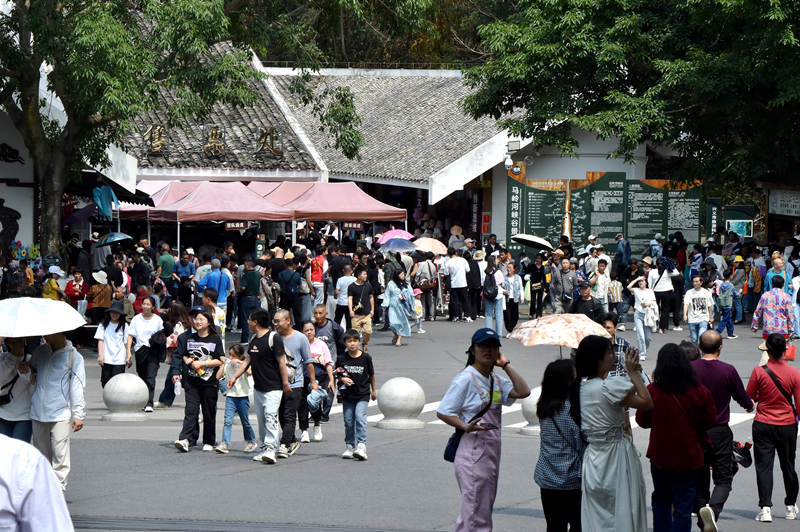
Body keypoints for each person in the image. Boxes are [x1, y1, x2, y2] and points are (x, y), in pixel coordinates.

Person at [436, 328, 530, 531]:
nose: (488, 350)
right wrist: (464, 426)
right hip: (472, 453)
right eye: (482, 345)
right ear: (472, 350)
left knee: (483, 509)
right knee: (473, 512)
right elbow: (443, 411)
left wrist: (505, 365)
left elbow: (523, 391)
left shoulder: (495, 380)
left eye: (493, 346)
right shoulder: (466, 378)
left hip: (491, 454)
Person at [570, 335, 653, 532]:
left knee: (598, 517)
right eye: (609, 352)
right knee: (622, 510)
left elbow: (630, 391)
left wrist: (634, 375)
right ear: (598, 359)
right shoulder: (609, 386)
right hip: (616, 457)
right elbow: (647, 403)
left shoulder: (579, 388)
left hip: (594, 458)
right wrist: (633, 373)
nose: (613, 355)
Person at [635, 343, 716, 531]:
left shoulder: (653, 391)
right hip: (689, 455)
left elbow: (642, 421)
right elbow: (710, 421)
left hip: (661, 454)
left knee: (662, 500)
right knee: (684, 504)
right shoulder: (699, 391)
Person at [691, 330, 755, 531]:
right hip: (719, 431)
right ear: (720, 348)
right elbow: (744, 399)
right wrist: (750, 405)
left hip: (694, 431)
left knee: (700, 478)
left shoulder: (690, 369)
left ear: (699, 347)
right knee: (723, 479)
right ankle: (713, 510)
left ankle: (703, 519)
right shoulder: (728, 370)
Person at [746, 333, 800, 523]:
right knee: (788, 466)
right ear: (785, 351)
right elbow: (799, 405)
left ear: (767, 351)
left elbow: (749, 399)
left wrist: (760, 396)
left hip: (763, 424)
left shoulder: (759, 371)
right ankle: (790, 506)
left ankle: (766, 508)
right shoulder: (795, 373)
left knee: (764, 467)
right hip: (787, 425)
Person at [227, 308, 289, 464]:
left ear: (255, 322)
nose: (247, 322)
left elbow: (282, 362)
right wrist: (234, 376)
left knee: (271, 417)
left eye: (249, 319)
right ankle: (264, 448)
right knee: (262, 421)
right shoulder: (254, 339)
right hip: (259, 388)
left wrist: (285, 384)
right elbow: (247, 361)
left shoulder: (274, 338)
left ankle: (271, 449)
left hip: (274, 387)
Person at [26, 331, 86, 491]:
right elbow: (31, 373)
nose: (44, 335)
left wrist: (78, 414)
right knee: (41, 454)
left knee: (60, 454)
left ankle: (58, 488)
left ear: (60, 333)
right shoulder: (40, 352)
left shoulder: (74, 357)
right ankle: (44, 487)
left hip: (61, 413)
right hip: (38, 411)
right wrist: (26, 371)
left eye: (49, 332)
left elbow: (77, 387)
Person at [534, 359, 586, 532]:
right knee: (578, 525)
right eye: (575, 378)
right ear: (567, 381)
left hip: (548, 477)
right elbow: (582, 442)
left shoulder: (544, 406)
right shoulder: (572, 409)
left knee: (555, 526)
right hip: (572, 479)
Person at [171, 309, 224, 452]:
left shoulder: (215, 339)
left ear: (208, 322)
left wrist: (203, 364)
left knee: (209, 412)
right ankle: (185, 439)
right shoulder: (187, 338)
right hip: (192, 382)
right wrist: (179, 369)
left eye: (201, 319)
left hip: (210, 382)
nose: (198, 322)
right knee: (191, 411)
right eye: (196, 319)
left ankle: (209, 440)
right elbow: (180, 355)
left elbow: (221, 360)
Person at [0, 434, 75, 530]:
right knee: (44, 451)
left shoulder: (22, 460)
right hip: (38, 419)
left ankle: (60, 488)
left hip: (58, 419)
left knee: (59, 454)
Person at [273, 309, 314, 458]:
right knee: (281, 415)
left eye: (279, 321)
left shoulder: (301, 338)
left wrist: (313, 382)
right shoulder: (274, 337)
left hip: (295, 383)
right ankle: (293, 441)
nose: (276, 324)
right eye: (274, 321)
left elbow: (308, 362)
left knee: (289, 415)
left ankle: (284, 445)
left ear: (288, 321)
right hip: (277, 383)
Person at [336, 329, 378, 460]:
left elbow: (371, 374)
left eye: (355, 341)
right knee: (348, 421)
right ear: (345, 343)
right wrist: (342, 379)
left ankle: (361, 446)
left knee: (360, 417)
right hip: (348, 395)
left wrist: (374, 390)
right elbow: (337, 372)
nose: (352, 344)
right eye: (349, 341)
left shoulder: (365, 358)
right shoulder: (341, 358)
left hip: (363, 393)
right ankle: (349, 446)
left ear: (359, 342)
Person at [214, 344, 258, 454]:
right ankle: (224, 443)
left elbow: (249, 372)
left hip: (242, 396)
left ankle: (251, 440)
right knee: (227, 421)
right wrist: (223, 364)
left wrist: (239, 362)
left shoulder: (242, 365)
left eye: (234, 356)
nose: (231, 358)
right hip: (230, 396)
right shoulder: (228, 365)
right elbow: (218, 377)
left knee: (245, 420)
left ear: (240, 356)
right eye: (230, 355)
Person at [125, 296, 164, 412]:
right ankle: (142, 400)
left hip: (153, 350)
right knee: (142, 376)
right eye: (144, 304)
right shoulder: (136, 319)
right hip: (140, 350)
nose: (145, 306)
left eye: (148, 304)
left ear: (153, 307)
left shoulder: (157, 320)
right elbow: (130, 335)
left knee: (150, 377)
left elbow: (163, 334)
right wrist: (128, 352)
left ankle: (149, 402)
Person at [299, 320, 335, 442]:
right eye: (306, 330)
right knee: (302, 404)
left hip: (319, 377)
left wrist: (331, 379)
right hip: (302, 378)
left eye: (311, 329)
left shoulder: (322, 345)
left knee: (314, 403)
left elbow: (328, 363)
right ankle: (304, 431)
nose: (309, 332)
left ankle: (317, 425)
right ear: (302, 332)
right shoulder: (300, 344)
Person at [0, 337, 33, 442]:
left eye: (19, 339)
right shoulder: (3, 358)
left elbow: (33, 384)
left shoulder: (31, 360)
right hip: (3, 413)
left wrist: (26, 371)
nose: (16, 342)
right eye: (12, 340)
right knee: (6, 454)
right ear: (7, 343)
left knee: (20, 454)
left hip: (25, 415)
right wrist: (13, 357)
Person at [95, 300, 130, 388]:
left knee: (117, 383)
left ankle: (116, 401)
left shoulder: (124, 326)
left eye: (117, 313)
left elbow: (126, 342)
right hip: (107, 357)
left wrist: (128, 355)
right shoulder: (103, 324)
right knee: (105, 382)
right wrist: (100, 355)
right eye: (113, 312)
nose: (114, 314)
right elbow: (100, 340)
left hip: (119, 358)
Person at [752, 275, 794, 339]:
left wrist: (754, 326)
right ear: (783, 285)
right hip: (782, 330)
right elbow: (790, 314)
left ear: (772, 284)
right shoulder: (786, 296)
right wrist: (791, 329)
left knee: (767, 347)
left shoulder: (765, 295)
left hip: (768, 329)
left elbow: (758, 311)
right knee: (782, 348)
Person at [627, 275, 657, 361]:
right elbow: (629, 287)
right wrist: (637, 278)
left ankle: (643, 350)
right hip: (638, 314)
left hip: (647, 315)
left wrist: (648, 304)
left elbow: (654, 302)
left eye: (642, 281)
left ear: (646, 282)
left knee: (647, 337)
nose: (640, 282)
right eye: (639, 281)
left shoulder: (650, 291)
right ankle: (642, 353)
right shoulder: (636, 290)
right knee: (640, 336)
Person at [383, 269, 415, 347]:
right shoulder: (391, 283)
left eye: (403, 274)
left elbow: (411, 294)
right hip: (393, 306)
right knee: (392, 323)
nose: (403, 276)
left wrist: (405, 296)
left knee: (402, 322)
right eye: (401, 274)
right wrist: (385, 304)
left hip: (402, 306)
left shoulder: (406, 284)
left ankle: (399, 339)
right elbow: (387, 294)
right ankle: (395, 335)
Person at [348, 266, 375, 353]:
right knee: (356, 334)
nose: (366, 276)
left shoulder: (368, 285)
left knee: (368, 331)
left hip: (366, 313)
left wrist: (372, 310)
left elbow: (371, 297)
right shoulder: (351, 287)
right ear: (359, 276)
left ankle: (365, 343)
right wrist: (351, 310)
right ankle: (357, 350)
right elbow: (350, 299)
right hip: (356, 314)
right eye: (364, 274)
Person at [685, 275, 715, 344]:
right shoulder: (689, 292)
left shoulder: (706, 292)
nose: (695, 283)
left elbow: (710, 306)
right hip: (692, 318)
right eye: (694, 282)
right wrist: (685, 314)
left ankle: (701, 352)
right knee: (694, 339)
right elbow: (686, 304)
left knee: (701, 336)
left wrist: (710, 317)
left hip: (703, 318)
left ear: (701, 282)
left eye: (696, 282)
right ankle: (696, 352)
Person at [482, 256, 506, 333]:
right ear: (493, 261)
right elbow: (502, 283)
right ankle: (499, 333)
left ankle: (489, 332)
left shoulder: (485, 271)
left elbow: (482, 282)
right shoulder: (498, 271)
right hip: (498, 293)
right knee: (499, 314)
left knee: (488, 314)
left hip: (487, 294)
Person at [617, 258, 640, 330]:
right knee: (625, 309)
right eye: (631, 266)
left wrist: (634, 280)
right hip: (627, 292)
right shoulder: (627, 270)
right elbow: (622, 279)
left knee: (636, 310)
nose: (632, 267)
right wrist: (626, 280)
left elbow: (642, 280)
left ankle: (637, 325)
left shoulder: (640, 271)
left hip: (636, 293)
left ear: (636, 265)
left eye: (634, 266)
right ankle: (623, 324)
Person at [502, 263, 524, 336]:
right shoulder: (504, 277)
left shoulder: (518, 278)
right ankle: (510, 330)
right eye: (508, 267)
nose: (509, 269)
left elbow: (521, 288)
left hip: (515, 298)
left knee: (515, 316)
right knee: (507, 316)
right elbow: (500, 287)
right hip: (506, 299)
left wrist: (522, 297)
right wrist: (504, 291)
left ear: (514, 269)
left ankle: (511, 329)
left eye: (511, 268)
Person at [716, 269, 737, 339]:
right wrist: (740, 292)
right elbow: (735, 294)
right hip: (728, 304)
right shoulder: (731, 285)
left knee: (728, 318)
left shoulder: (721, 285)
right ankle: (717, 332)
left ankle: (730, 332)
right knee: (725, 319)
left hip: (722, 304)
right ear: (730, 276)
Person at [334, 264, 355, 330]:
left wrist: (335, 297)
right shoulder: (354, 279)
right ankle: (349, 334)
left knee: (337, 319)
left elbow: (337, 291)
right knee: (349, 321)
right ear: (351, 271)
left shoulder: (340, 280)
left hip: (341, 302)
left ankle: (335, 332)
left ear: (343, 270)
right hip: (350, 303)